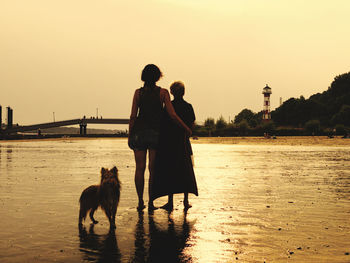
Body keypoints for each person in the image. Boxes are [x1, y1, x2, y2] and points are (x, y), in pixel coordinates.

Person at [128, 65, 192, 211]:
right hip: (156, 134)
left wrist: (130, 135)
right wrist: (186, 128)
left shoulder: (138, 93)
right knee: (152, 169)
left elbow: (133, 116)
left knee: (139, 169)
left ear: (143, 76)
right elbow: (172, 115)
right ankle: (150, 202)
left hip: (139, 133)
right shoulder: (163, 93)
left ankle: (140, 202)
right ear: (158, 76)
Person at [151, 81, 198, 210]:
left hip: (170, 142)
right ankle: (185, 201)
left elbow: (163, 124)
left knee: (170, 171)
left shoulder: (168, 107)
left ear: (171, 92)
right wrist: (187, 131)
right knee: (185, 170)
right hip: (183, 141)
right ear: (184, 92)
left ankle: (170, 201)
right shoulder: (188, 106)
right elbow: (192, 124)